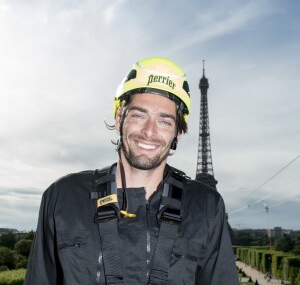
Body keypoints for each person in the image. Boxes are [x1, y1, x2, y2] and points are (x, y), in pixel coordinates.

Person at [24, 57, 239, 285]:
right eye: (139, 115)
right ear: (119, 119)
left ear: (178, 133)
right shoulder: (63, 197)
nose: (149, 131)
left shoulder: (206, 205)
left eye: (164, 121)